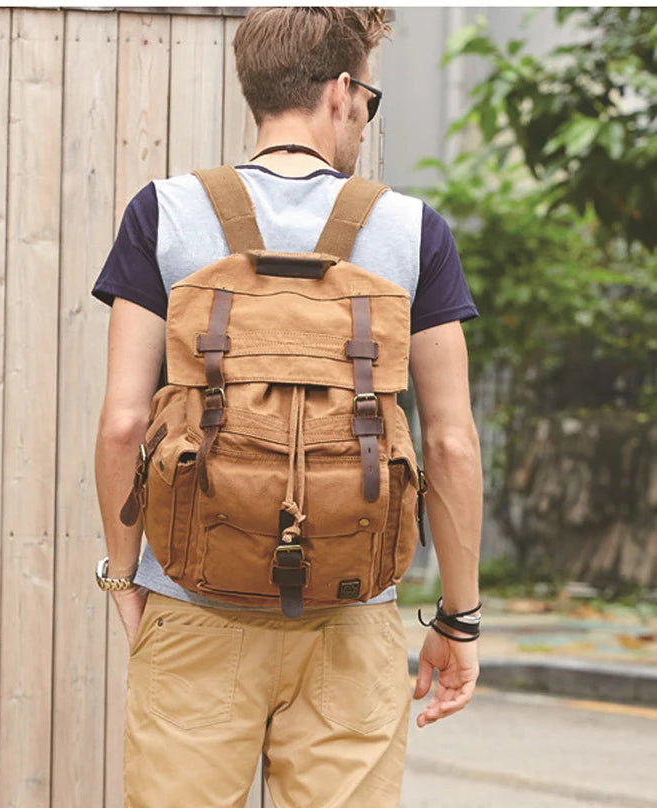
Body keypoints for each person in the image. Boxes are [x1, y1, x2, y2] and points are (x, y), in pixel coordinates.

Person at [92, 7, 482, 807]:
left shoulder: (164, 213)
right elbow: (449, 445)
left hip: (194, 607)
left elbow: (125, 424)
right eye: (368, 102)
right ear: (342, 91)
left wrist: (125, 579)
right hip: (351, 615)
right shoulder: (412, 231)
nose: (364, 122)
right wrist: (458, 620)